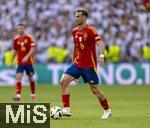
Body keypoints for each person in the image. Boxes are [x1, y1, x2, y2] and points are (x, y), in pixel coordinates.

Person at [60, 8, 112, 119]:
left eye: (78, 16)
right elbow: (76, 47)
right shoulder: (74, 31)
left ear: (84, 17)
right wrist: (73, 61)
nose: (76, 18)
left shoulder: (91, 31)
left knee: (95, 90)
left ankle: (107, 110)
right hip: (77, 64)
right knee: (63, 81)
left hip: (89, 66)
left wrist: (101, 56)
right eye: (75, 16)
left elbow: (100, 43)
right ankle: (66, 109)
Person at [10, 23, 36, 101]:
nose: (20, 30)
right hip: (20, 62)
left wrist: (27, 56)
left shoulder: (29, 38)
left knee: (31, 78)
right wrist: (11, 61)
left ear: (24, 29)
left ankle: (33, 93)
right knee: (19, 76)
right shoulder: (16, 39)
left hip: (29, 62)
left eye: (22, 28)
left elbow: (32, 49)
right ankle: (18, 95)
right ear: (17, 29)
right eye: (19, 28)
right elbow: (14, 51)